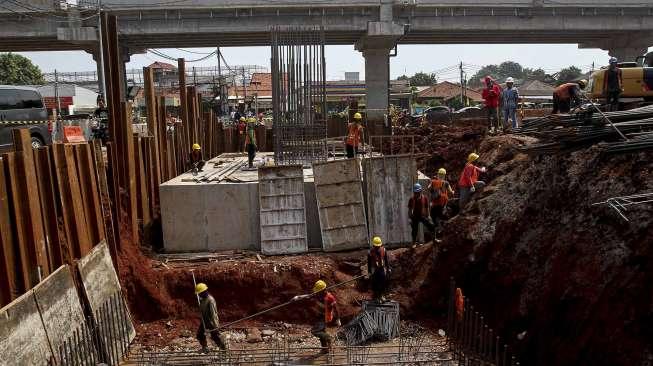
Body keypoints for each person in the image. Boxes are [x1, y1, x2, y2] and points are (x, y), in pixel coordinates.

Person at [292, 280, 341, 354]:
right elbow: (309, 295)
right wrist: (298, 297)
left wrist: (338, 319)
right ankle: (325, 349)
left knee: (315, 331)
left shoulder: (330, 297)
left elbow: (336, 308)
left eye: (318, 291)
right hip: (319, 316)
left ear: (323, 290)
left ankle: (328, 337)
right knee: (322, 333)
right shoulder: (319, 294)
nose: (316, 292)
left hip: (325, 318)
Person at [194, 283, 228, 353]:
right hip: (204, 321)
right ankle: (205, 348)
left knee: (215, 336)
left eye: (199, 293)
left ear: (204, 292)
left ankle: (223, 350)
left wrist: (216, 325)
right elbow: (202, 309)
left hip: (210, 321)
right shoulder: (203, 299)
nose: (199, 295)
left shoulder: (210, 300)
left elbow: (214, 314)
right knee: (200, 335)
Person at [429, 168, 454, 237]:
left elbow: (428, 188)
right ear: (444, 175)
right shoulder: (446, 182)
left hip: (436, 201)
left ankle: (439, 228)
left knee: (433, 215)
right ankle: (444, 226)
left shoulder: (433, 181)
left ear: (438, 174)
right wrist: (453, 192)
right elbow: (450, 191)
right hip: (444, 200)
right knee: (441, 213)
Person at [367, 236, 390, 302]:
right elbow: (369, 263)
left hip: (382, 269)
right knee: (375, 284)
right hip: (375, 270)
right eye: (376, 246)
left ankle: (382, 295)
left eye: (378, 246)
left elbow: (386, 260)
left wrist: (388, 268)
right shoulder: (370, 252)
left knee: (383, 283)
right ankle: (376, 297)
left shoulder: (384, 250)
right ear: (374, 245)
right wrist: (369, 271)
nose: (377, 247)